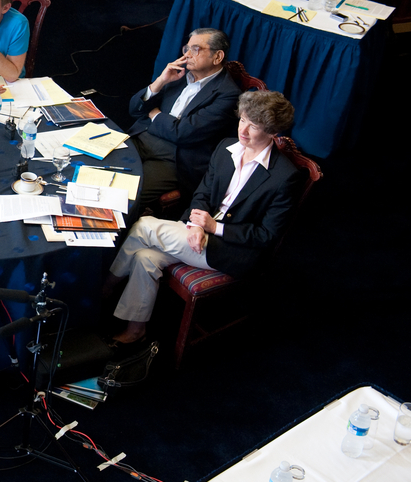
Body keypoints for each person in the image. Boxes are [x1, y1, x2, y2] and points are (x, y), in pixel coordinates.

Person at [105, 91, 303, 345]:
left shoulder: (285, 177)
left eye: (253, 126)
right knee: (145, 258)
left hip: (232, 250)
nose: (243, 130)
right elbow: (203, 192)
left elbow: (267, 235)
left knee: (143, 226)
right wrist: (195, 224)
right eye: (243, 120)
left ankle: (106, 287)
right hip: (200, 233)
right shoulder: (226, 148)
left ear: (273, 132)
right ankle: (136, 329)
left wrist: (213, 227)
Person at [127, 28, 240, 213]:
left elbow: (183, 133)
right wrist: (160, 81)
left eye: (195, 49)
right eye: (186, 48)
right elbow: (135, 110)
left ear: (217, 57)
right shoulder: (177, 75)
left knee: (126, 196)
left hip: (175, 158)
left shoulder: (228, 94)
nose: (187, 55)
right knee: (91, 168)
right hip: (143, 138)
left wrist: (154, 114)